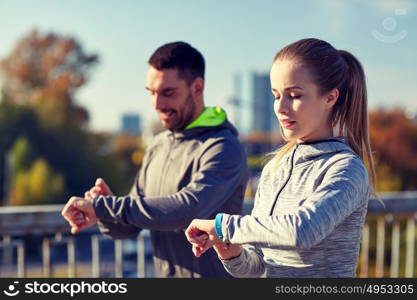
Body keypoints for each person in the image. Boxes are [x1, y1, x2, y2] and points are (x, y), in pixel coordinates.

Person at [185, 38, 376, 278]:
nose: (281, 107)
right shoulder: (275, 167)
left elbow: (302, 230)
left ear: (330, 97)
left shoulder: (347, 168)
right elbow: (255, 268)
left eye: (294, 95)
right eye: (276, 95)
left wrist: (225, 227)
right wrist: (232, 253)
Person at [61, 41, 249, 277]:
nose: (157, 104)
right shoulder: (158, 146)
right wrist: (105, 212)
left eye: (168, 93)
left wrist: (105, 206)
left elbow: (185, 211)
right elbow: (129, 228)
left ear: (197, 88)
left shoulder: (223, 147)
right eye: (151, 92)